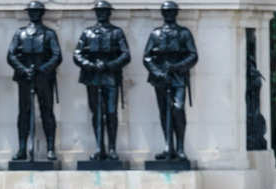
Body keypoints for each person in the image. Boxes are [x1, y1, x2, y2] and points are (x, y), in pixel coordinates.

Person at [73, 0, 130, 160]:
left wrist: (109, 65)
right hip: (92, 77)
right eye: (99, 11)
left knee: (111, 112)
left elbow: (126, 55)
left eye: (105, 11)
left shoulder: (117, 32)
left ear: (109, 13)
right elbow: (77, 54)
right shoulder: (87, 33)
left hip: (110, 77)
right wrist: (90, 65)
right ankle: (99, 147)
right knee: (96, 113)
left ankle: (112, 148)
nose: (102, 14)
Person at [7, 1, 62, 161]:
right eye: (32, 11)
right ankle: (22, 149)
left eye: (37, 11)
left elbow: (57, 55)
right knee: (24, 114)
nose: (34, 14)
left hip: (44, 78)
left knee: (47, 113)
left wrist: (43, 68)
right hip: (25, 78)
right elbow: (11, 55)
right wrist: (24, 69)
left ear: (42, 13)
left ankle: (50, 148)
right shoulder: (20, 33)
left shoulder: (49, 33)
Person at [142, 1, 197, 161]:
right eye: (166, 12)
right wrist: (158, 73)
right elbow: (147, 57)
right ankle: (168, 145)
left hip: (178, 77)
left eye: (172, 12)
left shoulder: (184, 33)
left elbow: (193, 55)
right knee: (164, 111)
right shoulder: (156, 34)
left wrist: (176, 66)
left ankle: (180, 147)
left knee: (178, 109)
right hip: (160, 79)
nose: (169, 15)